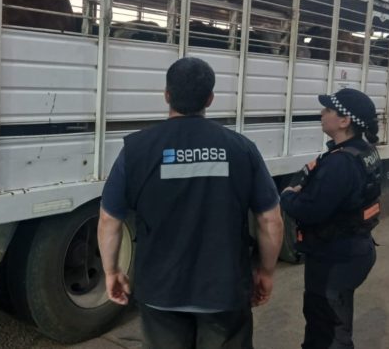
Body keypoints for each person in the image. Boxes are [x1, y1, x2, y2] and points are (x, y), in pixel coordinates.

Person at [97, 57, 284, 349]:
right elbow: (270, 219)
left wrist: (111, 272)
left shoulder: (136, 150)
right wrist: (266, 272)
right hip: (225, 290)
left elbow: (110, 219)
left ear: (167, 95)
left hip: (161, 291)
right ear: (210, 98)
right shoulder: (241, 149)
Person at [280, 88, 382, 349]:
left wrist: (288, 196)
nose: (321, 114)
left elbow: (310, 210)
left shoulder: (340, 163)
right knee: (336, 320)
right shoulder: (362, 151)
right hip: (354, 249)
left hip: (334, 258)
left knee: (327, 329)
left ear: (344, 121)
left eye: (327, 110)